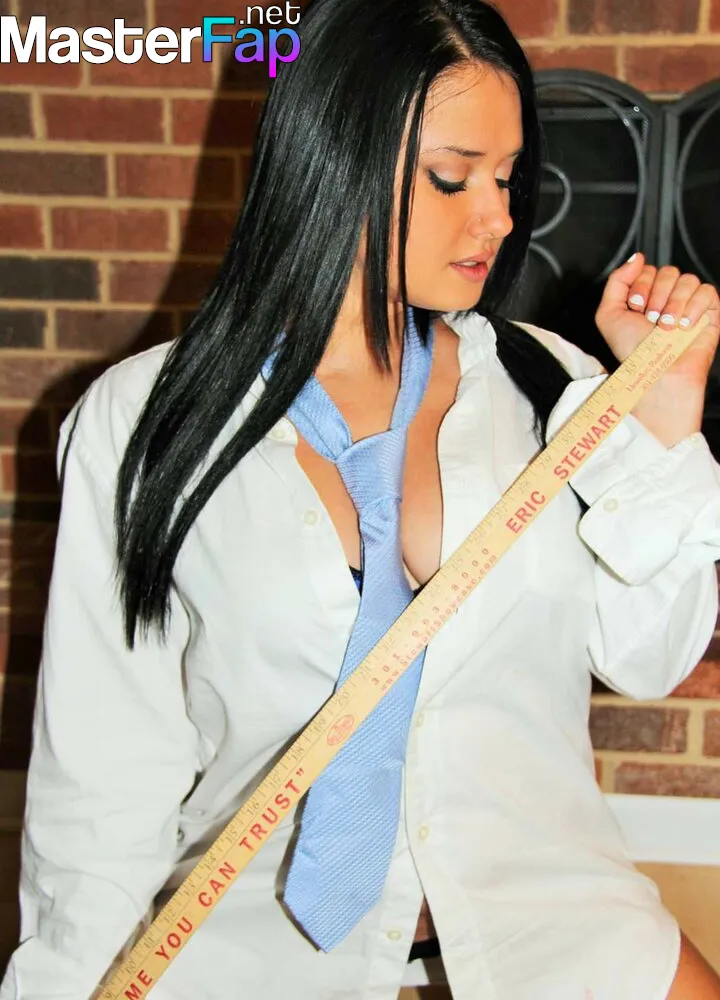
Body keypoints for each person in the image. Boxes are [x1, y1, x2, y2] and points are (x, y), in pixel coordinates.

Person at [2, 0, 720, 997]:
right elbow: (100, 780)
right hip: (255, 955)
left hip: (557, 935)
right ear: (334, 158)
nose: (498, 218)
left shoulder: (551, 387)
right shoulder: (144, 423)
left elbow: (648, 657)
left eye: (509, 178)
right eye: (452, 178)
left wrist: (666, 418)